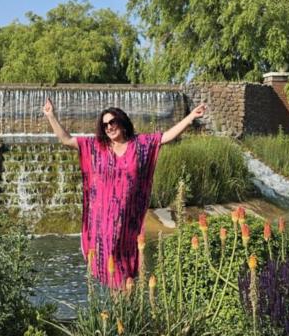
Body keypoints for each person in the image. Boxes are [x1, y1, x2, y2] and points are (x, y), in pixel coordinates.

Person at [43, 98, 206, 287]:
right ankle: (121, 311)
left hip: (129, 219)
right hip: (103, 221)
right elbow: (66, 139)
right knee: (111, 265)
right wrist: (51, 115)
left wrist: (191, 117)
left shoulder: (140, 145)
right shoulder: (97, 147)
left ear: (122, 121)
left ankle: (126, 311)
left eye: (112, 122)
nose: (109, 127)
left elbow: (166, 137)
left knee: (127, 268)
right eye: (105, 125)